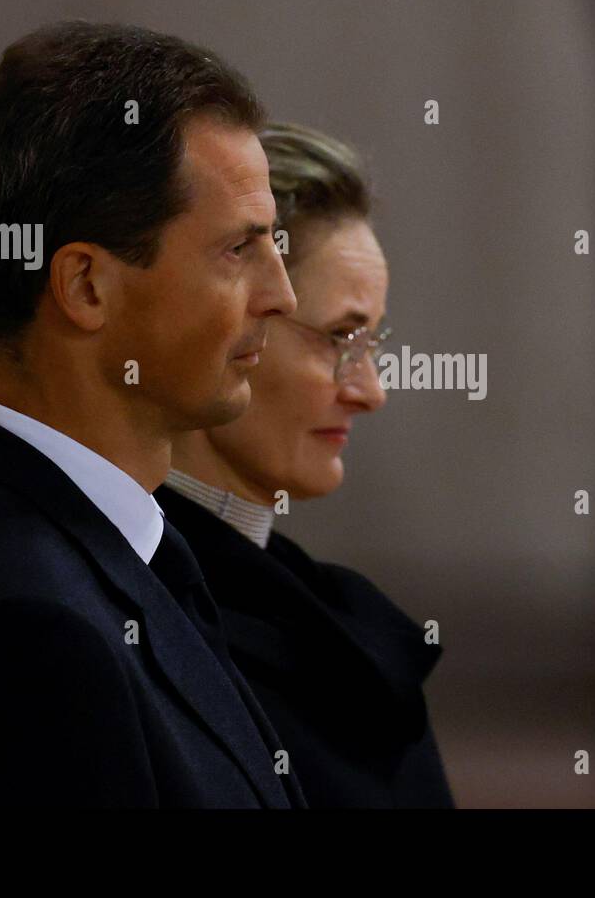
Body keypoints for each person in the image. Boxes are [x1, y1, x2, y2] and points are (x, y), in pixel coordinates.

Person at [0, 22, 305, 807]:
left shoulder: (111, 551)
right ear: (87, 287)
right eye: (238, 250)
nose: (282, 294)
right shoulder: (23, 631)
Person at [158, 123, 455, 807]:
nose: (370, 392)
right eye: (339, 338)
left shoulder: (319, 625)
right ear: (229, 323)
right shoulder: (130, 619)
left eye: (372, 342)